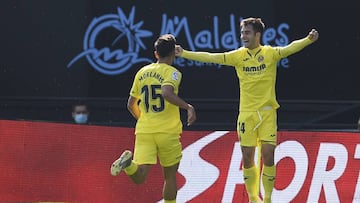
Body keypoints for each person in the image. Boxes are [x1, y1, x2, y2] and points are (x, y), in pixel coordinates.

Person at [175, 17, 319, 203]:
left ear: (257, 34)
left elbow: (290, 48)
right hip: (246, 115)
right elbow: (211, 57)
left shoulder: (270, 53)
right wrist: (184, 53)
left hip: (267, 113)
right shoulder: (238, 56)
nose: (243, 36)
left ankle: (267, 198)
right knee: (248, 157)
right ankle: (253, 198)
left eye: (247, 32)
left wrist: (308, 39)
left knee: (268, 155)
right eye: (242, 32)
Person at [110, 34, 196, 203]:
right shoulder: (173, 73)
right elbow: (166, 93)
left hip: (145, 130)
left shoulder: (142, 72)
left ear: (156, 54)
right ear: (173, 54)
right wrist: (188, 107)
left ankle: (128, 165)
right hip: (167, 132)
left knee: (140, 177)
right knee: (170, 177)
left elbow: (130, 104)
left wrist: (144, 119)